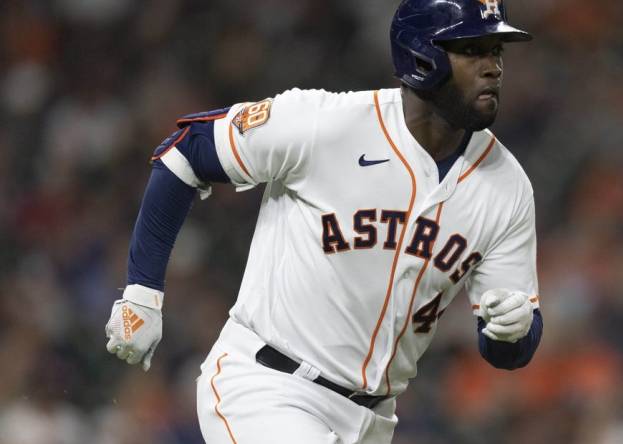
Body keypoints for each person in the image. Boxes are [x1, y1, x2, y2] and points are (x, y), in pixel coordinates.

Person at [104, 0, 543, 442]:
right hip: (267, 388)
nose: (493, 67)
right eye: (473, 49)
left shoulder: (507, 188)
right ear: (421, 56)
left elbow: (507, 352)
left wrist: (515, 328)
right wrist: (142, 292)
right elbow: (186, 151)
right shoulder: (326, 124)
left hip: (374, 420)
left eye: (497, 51)